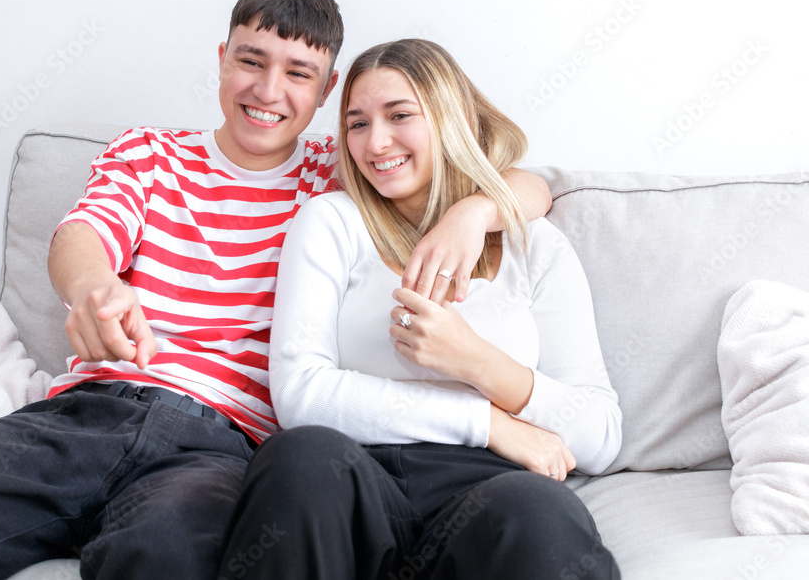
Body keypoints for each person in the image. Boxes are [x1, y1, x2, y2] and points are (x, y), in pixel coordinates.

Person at [0, 0, 552, 579]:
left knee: (168, 556)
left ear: (325, 92)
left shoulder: (343, 170)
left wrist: (476, 211)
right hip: (83, 418)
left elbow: (536, 183)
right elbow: (82, 235)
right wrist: (95, 285)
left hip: (222, 448)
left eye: (298, 73)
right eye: (251, 60)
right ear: (222, 57)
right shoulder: (150, 152)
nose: (268, 89)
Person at [218, 39, 623, 580]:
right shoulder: (331, 222)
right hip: (355, 477)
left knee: (540, 516)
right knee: (301, 459)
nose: (375, 142)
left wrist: (476, 361)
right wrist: (485, 422)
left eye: (399, 115)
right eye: (357, 123)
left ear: (448, 120)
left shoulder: (535, 246)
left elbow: (599, 435)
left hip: (490, 490)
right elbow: (301, 395)